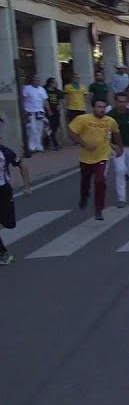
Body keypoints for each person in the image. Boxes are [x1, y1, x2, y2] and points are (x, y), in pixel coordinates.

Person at [67, 98, 123, 220]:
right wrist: (84, 144)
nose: (101, 109)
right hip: (86, 158)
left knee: (100, 181)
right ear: (93, 107)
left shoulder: (110, 121)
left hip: (103, 156)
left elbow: (116, 133)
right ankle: (84, 196)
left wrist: (120, 148)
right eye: (99, 107)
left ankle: (99, 209)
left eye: (103, 107)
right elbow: (71, 132)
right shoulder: (83, 119)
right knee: (85, 182)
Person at [106, 92, 129, 208]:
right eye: (119, 101)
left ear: (127, 102)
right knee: (120, 170)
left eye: (124, 101)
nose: (122, 104)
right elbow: (104, 132)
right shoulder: (109, 115)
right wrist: (112, 145)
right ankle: (121, 199)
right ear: (116, 102)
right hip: (118, 147)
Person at [0, 114, 19, 265]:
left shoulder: (5, 151)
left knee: (9, 223)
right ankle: (2, 254)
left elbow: (21, 164)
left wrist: (26, 186)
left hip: (3, 189)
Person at [20, 75, 50, 159]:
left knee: (39, 129)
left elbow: (45, 100)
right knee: (31, 129)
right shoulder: (27, 88)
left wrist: (48, 110)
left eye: (38, 80)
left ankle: (39, 146)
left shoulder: (42, 89)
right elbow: (23, 99)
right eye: (35, 80)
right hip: (30, 111)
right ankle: (31, 147)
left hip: (40, 112)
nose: (37, 82)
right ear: (32, 81)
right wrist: (23, 110)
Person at [43, 78, 64, 150]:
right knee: (50, 127)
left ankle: (48, 142)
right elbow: (44, 100)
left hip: (56, 111)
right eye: (54, 83)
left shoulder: (58, 92)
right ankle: (55, 144)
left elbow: (61, 101)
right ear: (50, 83)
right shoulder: (45, 90)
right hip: (48, 111)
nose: (56, 84)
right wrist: (48, 110)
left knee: (55, 127)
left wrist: (60, 106)